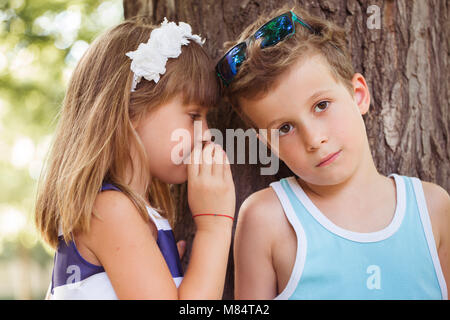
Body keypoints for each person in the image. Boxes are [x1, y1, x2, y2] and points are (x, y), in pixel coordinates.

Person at [216, 6, 450, 299]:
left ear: (359, 96)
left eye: (321, 105)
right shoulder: (266, 220)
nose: (314, 139)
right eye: (285, 127)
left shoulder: (433, 210)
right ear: (268, 144)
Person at [35, 16, 235, 299]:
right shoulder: (108, 210)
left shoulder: (134, 214)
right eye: (193, 116)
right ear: (130, 112)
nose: (206, 135)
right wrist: (214, 226)